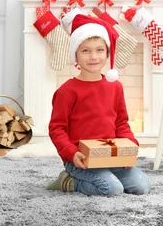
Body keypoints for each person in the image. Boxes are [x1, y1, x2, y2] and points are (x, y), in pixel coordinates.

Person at [46, 14, 151, 196]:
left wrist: (130, 147)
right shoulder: (67, 91)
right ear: (75, 56)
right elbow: (57, 129)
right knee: (112, 189)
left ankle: (106, 174)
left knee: (142, 186)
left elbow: (121, 123)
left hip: (111, 155)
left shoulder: (115, 87)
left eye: (99, 50)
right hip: (81, 159)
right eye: (86, 51)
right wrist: (71, 153)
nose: (93, 57)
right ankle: (69, 181)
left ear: (107, 53)